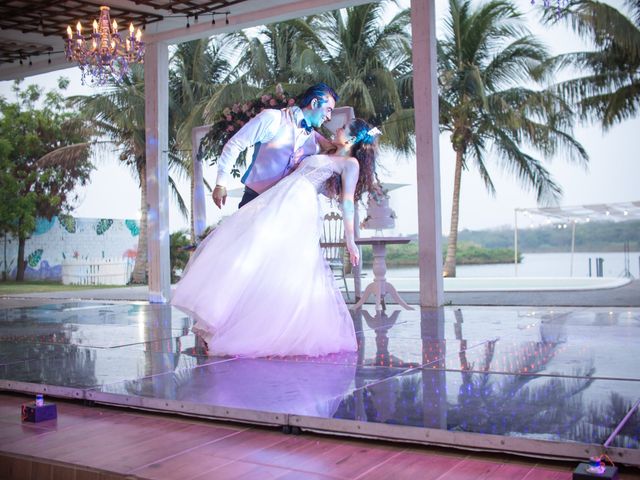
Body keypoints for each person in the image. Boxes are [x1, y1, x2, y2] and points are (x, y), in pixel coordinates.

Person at [171, 119, 380, 357]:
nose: (338, 128)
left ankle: (247, 328)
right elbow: (309, 130)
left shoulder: (349, 163)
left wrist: (350, 240)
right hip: (280, 198)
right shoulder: (328, 149)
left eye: (344, 128)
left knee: (274, 262)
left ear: (352, 139)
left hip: (298, 206)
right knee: (250, 253)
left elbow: (347, 203)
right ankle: (219, 320)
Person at [212, 83, 338, 209]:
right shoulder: (273, 118)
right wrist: (220, 184)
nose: (329, 117)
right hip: (254, 200)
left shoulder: (315, 142)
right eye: (328, 110)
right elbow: (236, 143)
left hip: (283, 208)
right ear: (315, 103)